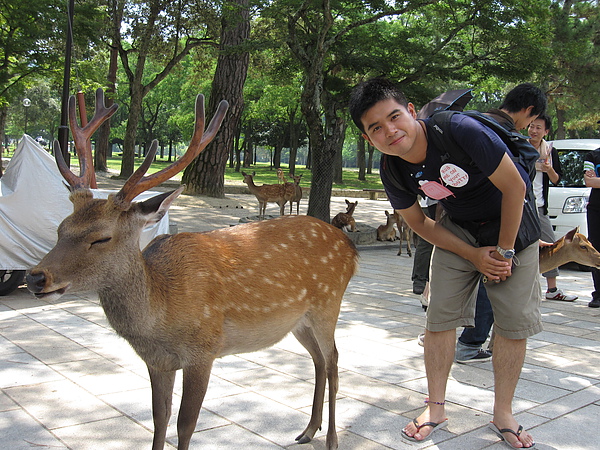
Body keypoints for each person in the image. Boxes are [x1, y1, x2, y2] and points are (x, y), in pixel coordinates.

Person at [349, 79, 544, 448]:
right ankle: (435, 408)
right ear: (367, 137)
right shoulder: (392, 170)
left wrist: (502, 253)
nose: (389, 131)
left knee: (512, 325)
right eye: (375, 127)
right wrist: (473, 255)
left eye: (394, 117)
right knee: (438, 319)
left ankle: (503, 413)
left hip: (512, 225)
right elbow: (419, 223)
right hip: (458, 231)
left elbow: (516, 187)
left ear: (410, 111)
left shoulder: (457, 130)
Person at [528, 115, 577, 301]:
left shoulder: (549, 150)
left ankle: (552, 289)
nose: (533, 130)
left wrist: (548, 168)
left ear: (546, 131)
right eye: (531, 126)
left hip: (540, 206)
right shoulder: (520, 147)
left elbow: (557, 180)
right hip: (522, 205)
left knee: (550, 244)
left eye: (538, 127)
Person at [584, 145, 600, 308]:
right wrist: (593, 181)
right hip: (596, 209)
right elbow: (589, 181)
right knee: (595, 249)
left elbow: (595, 181)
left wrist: (597, 180)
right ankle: (598, 294)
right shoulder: (592, 155)